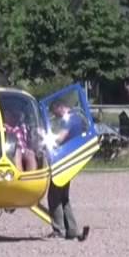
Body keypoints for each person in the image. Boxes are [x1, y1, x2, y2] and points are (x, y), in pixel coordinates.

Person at [46, 100, 87, 240]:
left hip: (65, 161)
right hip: (71, 160)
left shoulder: (69, 119)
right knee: (64, 197)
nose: (55, 115)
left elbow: (60, 138)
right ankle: (72, 230)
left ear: (59, 107)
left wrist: (45, 138)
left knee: (54, 196)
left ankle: (59, 230)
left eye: (54, 112)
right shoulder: (77, 117)